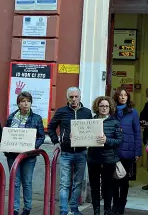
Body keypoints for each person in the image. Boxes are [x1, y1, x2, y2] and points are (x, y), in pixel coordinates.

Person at [47, 86, 93, 215]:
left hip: (81, 153)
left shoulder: (87, 112)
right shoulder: (61, 111)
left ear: (80, 97)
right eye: (71, 97)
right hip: (66, 152)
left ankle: (74, 208)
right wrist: (56, 142)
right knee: (64, 183)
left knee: (78, 182)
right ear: (67, 98)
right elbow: (51, 127)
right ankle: (63, 209)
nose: (74, 99)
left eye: (76, 96)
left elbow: (91, 130)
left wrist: (89, 142)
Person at [5, 91, 46, 215]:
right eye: (23, 101)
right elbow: (7, 133)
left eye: (28, 101)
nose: (25, 104)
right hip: (13, 154)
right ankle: (15, 208)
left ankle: (27, 207)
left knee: (27, 181)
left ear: (31, 103)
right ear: (18, 103)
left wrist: (33, 147)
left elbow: (41, 136)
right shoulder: (11, 117)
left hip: (29, 155)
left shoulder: (36, 118)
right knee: (15, 182)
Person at [88, 96, 123, 215]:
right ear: (97, 107)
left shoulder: (115, 122)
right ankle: (96, 211)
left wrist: (107, 140)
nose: (104, 108)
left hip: (109, 160)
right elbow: (85, 137)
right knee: (94, 187)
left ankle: (107, 211)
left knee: (108, 187)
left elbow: (119, 141)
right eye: (102, 106)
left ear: (110, 108)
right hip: (93, 158)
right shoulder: (91, 121)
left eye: (106, 106)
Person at [112, 87, 141, 214]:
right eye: (120, 95)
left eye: (125, 95)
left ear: (128, 97)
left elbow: (137, 133)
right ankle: (115, 204)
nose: (123, 97)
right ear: (116, 97)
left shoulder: (133, 112)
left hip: (128, 152)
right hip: (113, 151)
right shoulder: (111, 112)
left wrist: (137, 151)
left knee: (124, 181)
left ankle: (121, 206)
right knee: (114, 180)